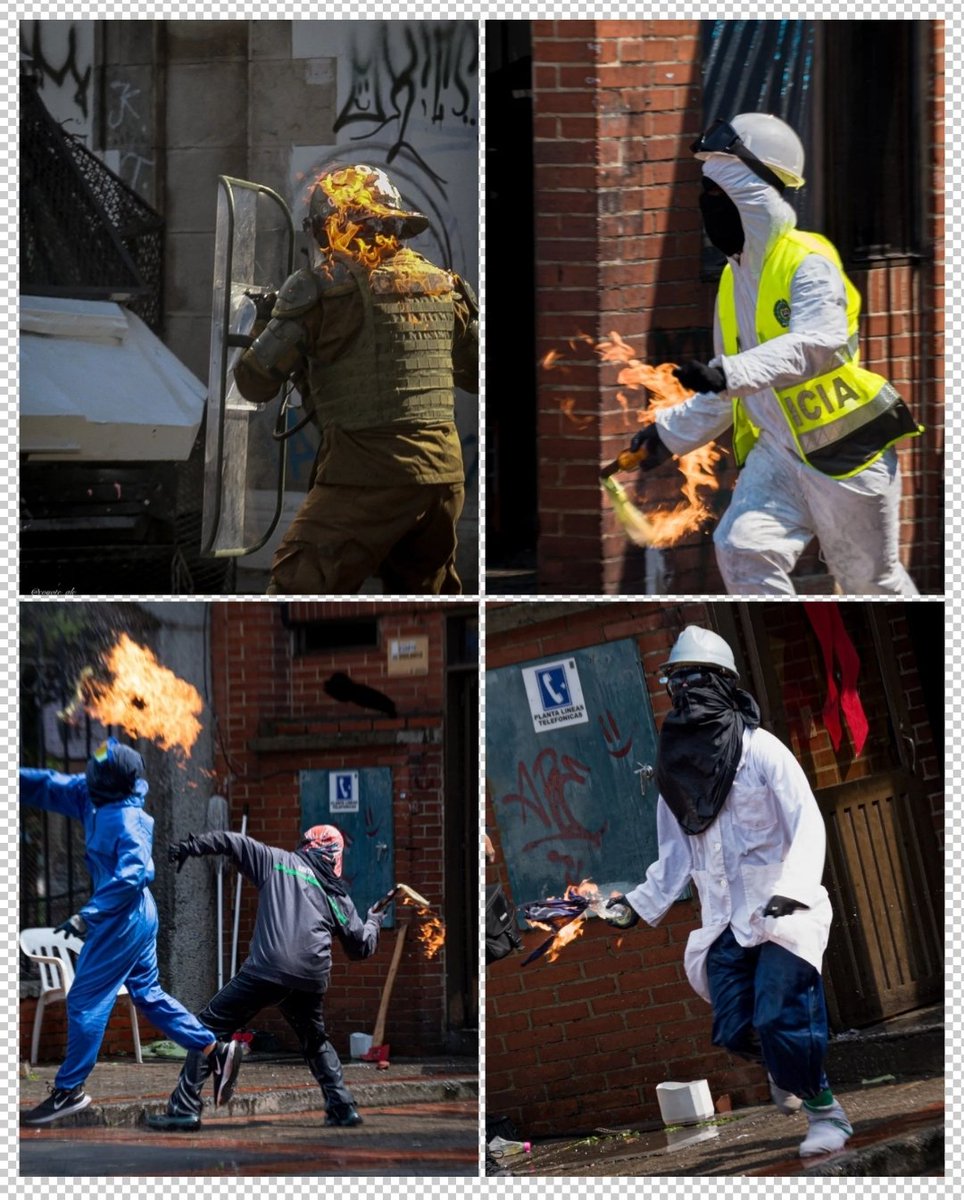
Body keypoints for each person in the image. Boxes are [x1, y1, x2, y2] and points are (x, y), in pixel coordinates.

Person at [631, 113, 921, 596]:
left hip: (846, 451)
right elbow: (727, 390)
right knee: (742, 549)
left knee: (869, 583)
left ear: (753, 195)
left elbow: (818, 343)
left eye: (720, 195)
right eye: (706, 195)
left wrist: (729, 373)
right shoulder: (731, 281)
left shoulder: (807, 261)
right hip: (780, 453)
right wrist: (666, 435)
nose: (709, 207)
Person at [606, 626, 853, 1158]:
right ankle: (785, 1069)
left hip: (781, 914)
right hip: (724, 921)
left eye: (698, 680)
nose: (687, 692)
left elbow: (807, 820)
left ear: (723, 685)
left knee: (779, 1014)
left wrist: (794, 887)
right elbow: (673, 853)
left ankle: (825, 1112)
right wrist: (635, 905)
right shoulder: (677, 772)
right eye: (678, 681)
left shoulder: (763, 751)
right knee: (737, 1026)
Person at [234, 161, 479, 596]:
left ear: (332, 226)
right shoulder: (441, 284)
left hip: (365, 476)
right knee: (424, 598)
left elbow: (254, 382)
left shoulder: (319, 288)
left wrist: (264, 322)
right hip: (442, 479)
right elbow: (477, 375)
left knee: (296, 587)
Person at [19, 739, 243, 1125]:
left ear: (108, 781)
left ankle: (69, 1090)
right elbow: (49, 784)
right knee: (148, 994)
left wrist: (87, 915)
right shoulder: (90, 794)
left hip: (121, 918)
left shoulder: (127, 820)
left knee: (85, 1000)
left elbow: (133, 875)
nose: (86, 775)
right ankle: (214, 1049)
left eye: (94, 771)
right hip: (134, 916)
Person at [145, 823, 384, 1132]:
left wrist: (193, 845)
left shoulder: (277, 861)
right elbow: (361, 946)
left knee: (205, 1028)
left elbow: (232, 842)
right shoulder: (337, 895)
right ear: (336, 855)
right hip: (310, 977)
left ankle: (183, 1108)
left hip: (268, 970)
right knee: (315, 1040)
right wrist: (375, 919)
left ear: (306, 844)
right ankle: (342, 1107)